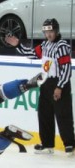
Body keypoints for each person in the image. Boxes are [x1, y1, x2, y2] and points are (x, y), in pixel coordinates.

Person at [5, 18, 75, 156]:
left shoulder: (62, 46)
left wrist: (59, 87)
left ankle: (69, 144)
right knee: (44, 114)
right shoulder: (45, 45)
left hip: (59, 83)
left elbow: (66, 68)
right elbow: (31, 53)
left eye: (51, 31)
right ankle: (47, 144)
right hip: (46, 82)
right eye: (46, 32)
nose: (48, 35)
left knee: (63, 115)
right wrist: (18, 44)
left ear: (56, 31)